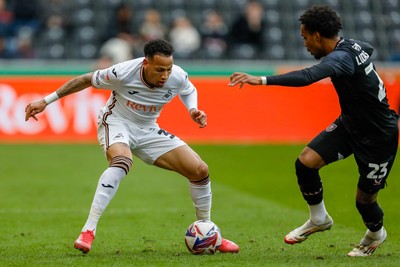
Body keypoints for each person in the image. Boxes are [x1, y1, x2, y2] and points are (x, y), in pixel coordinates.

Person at [25, 39, 239, 254]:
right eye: (159, 70)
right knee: (122, 161)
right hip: (116, 122)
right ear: (146, 64)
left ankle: (208, 232)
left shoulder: (177, 75)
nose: (165, 75)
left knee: (200, 170)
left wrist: (193, 109)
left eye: (168, 69)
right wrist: (45, 101)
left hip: (148, 129)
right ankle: (88, 230)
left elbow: (188, 88)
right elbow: (86, 79)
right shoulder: (123, 72)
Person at [229, 5, 398, 257]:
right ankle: (319, 219)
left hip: (378, 136)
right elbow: (368, 49)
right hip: (350, 124)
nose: (305, 43)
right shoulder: (353, 46)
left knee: (364, 201)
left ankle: (375, 233)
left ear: (317, 35)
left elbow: (308, 76)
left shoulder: (341, 57)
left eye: (305, 37)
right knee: (305, 162)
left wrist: (261, 80)